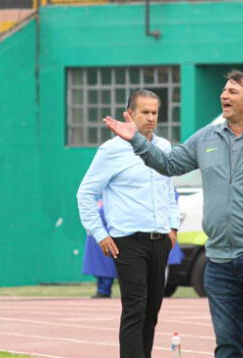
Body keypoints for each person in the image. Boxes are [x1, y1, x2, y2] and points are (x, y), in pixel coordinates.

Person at [104, 71, 243, 358]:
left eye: (232, 91)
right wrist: (138, 141)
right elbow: (169, 164)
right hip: (218, 258)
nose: (223, 96)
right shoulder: (207, 137)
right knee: (227, 342)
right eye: (223, 90)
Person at [76, 89, 180, 358]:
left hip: (160, 241)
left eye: (154, 112)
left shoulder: (164, 147)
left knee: (152, 310)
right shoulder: (111, 150)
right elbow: (85, 193)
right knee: (135, 308)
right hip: (128, 241)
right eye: (144, 112)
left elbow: (169, 190)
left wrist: (172, 227)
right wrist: (100, 233)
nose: (150, 118)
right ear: (129, 114)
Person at [81, 199, 116, 298]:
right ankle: (101, 289)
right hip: (94, 239)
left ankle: (104, 290)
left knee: (106, 267)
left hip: (107, 237)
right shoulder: (96, 200)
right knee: (97, 268)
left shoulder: (110, 201)